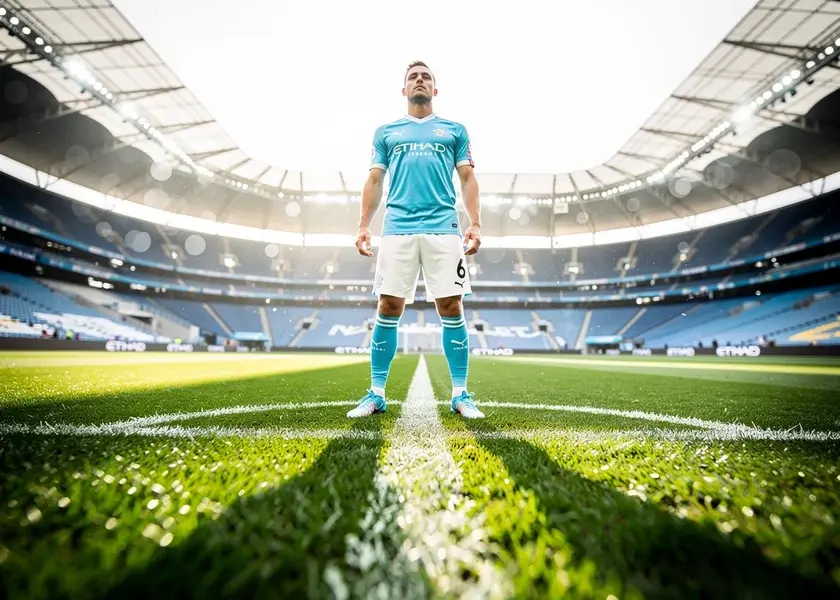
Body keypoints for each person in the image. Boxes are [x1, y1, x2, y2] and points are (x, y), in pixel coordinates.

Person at [348, 60, 484, 419]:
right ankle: (376, 393)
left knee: (451, 307)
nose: (419, 80)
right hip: (397, 228)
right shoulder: (386, 132)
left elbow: (467, 178)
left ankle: (461, 394)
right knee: (388, 307)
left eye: (425, 77)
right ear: (404, 89)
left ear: (435, 89)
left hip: (444, 227)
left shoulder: (454, 130)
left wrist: (475, 223)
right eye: (413, 77)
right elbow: (374, 181)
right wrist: (363, 225)